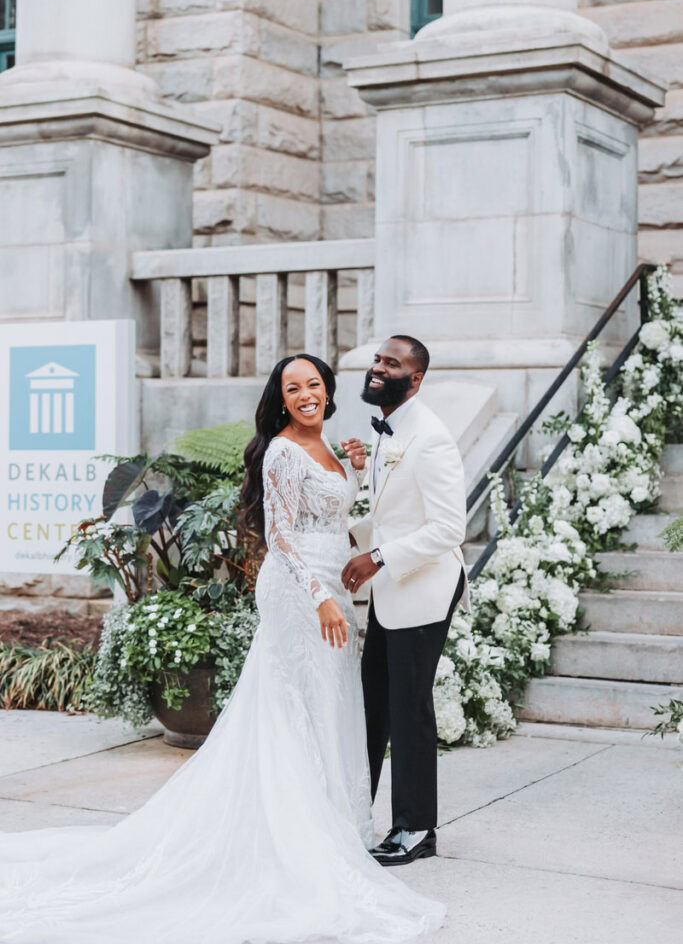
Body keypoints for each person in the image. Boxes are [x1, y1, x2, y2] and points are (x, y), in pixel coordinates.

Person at [0, 352, 445, 944]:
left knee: (329, 707)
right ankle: (296, 837)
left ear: (328, 390)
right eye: (293, 387)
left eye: (314, 384)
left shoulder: (333, 447)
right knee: (295, 708)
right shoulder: (283, 450)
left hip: (334, 586)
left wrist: (356, 471)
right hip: (298, 590)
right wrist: (318, 597)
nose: (305, 394)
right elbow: (282, 536)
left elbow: (334, 515)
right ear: (280, 398)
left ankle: (336, 825)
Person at [342, 336, 468, 867]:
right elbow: (397, 512)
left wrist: (377, 557)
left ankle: (417, 829)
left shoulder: (432, 438)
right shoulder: (390, 429)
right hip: (395, 586)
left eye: (391, 363)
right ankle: (352, 813)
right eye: (376, 359)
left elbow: (447, 528)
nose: (377, 368)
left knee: (408, 708)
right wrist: (356, 530)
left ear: (415, 379)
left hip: (424, 589)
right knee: (374, 703)